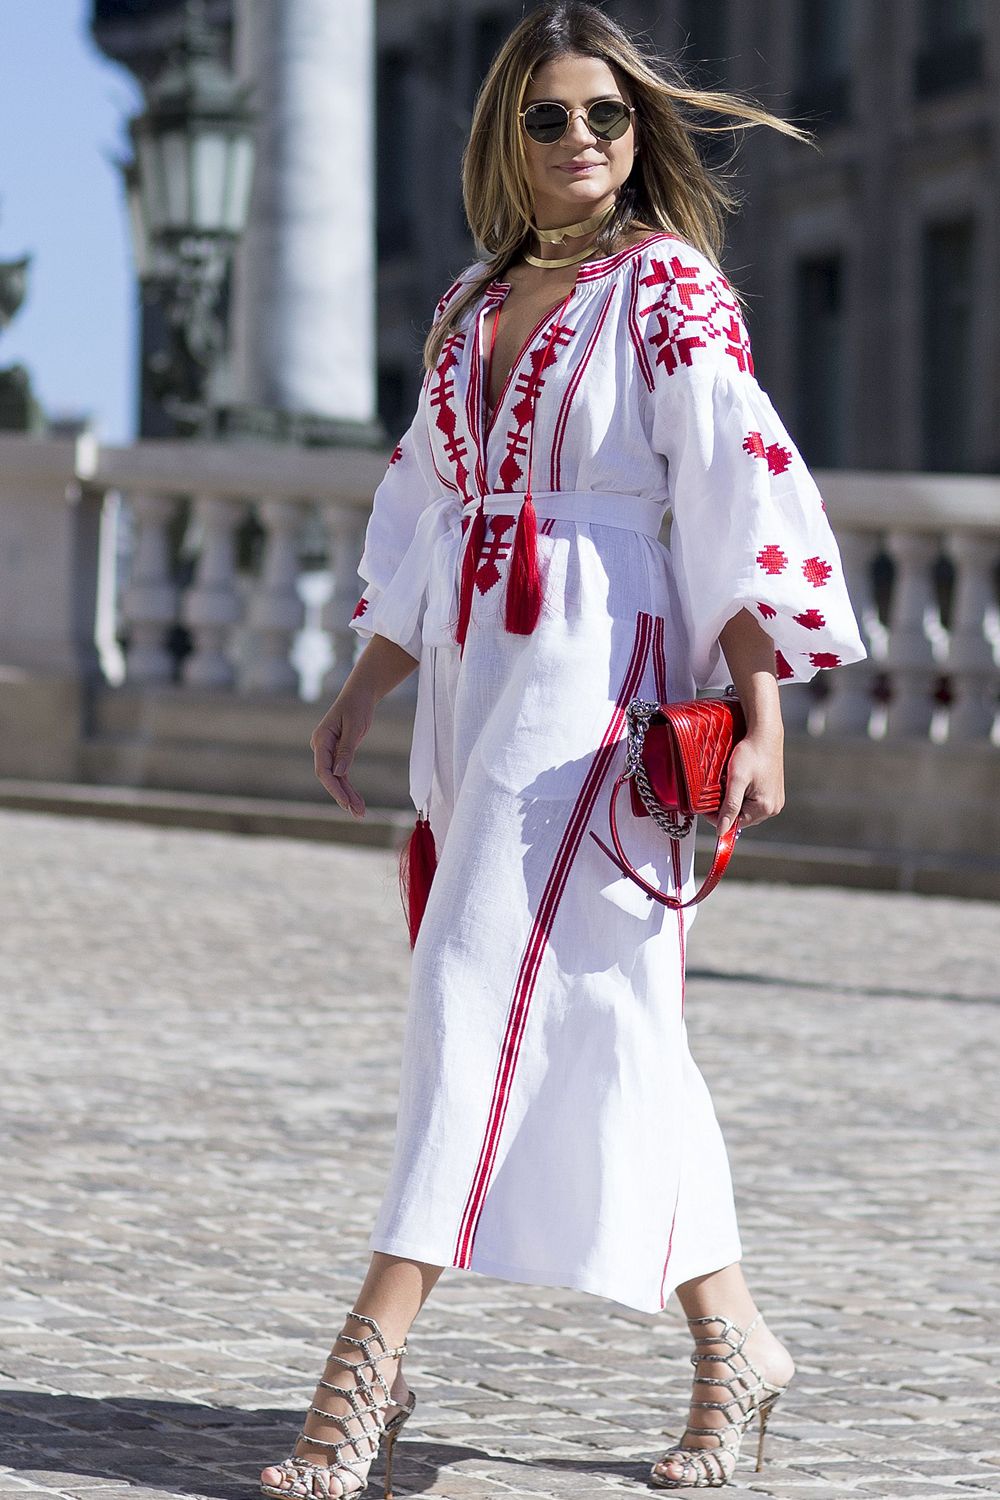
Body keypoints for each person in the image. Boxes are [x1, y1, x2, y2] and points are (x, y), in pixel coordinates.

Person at [260, 4, 866, 1495]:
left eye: (605, 114)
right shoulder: (468, 306)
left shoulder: (670, 292)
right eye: (549, 117)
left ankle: (368, 1364)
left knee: (474, 985)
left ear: (637, 132)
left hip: (606, 682)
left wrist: (763, 706)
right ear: (506, 137)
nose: (582, 139)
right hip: (483, 685)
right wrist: (365, 687)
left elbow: (736, 487)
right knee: (606, 1024)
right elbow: (425, 508)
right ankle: (739, 1344)